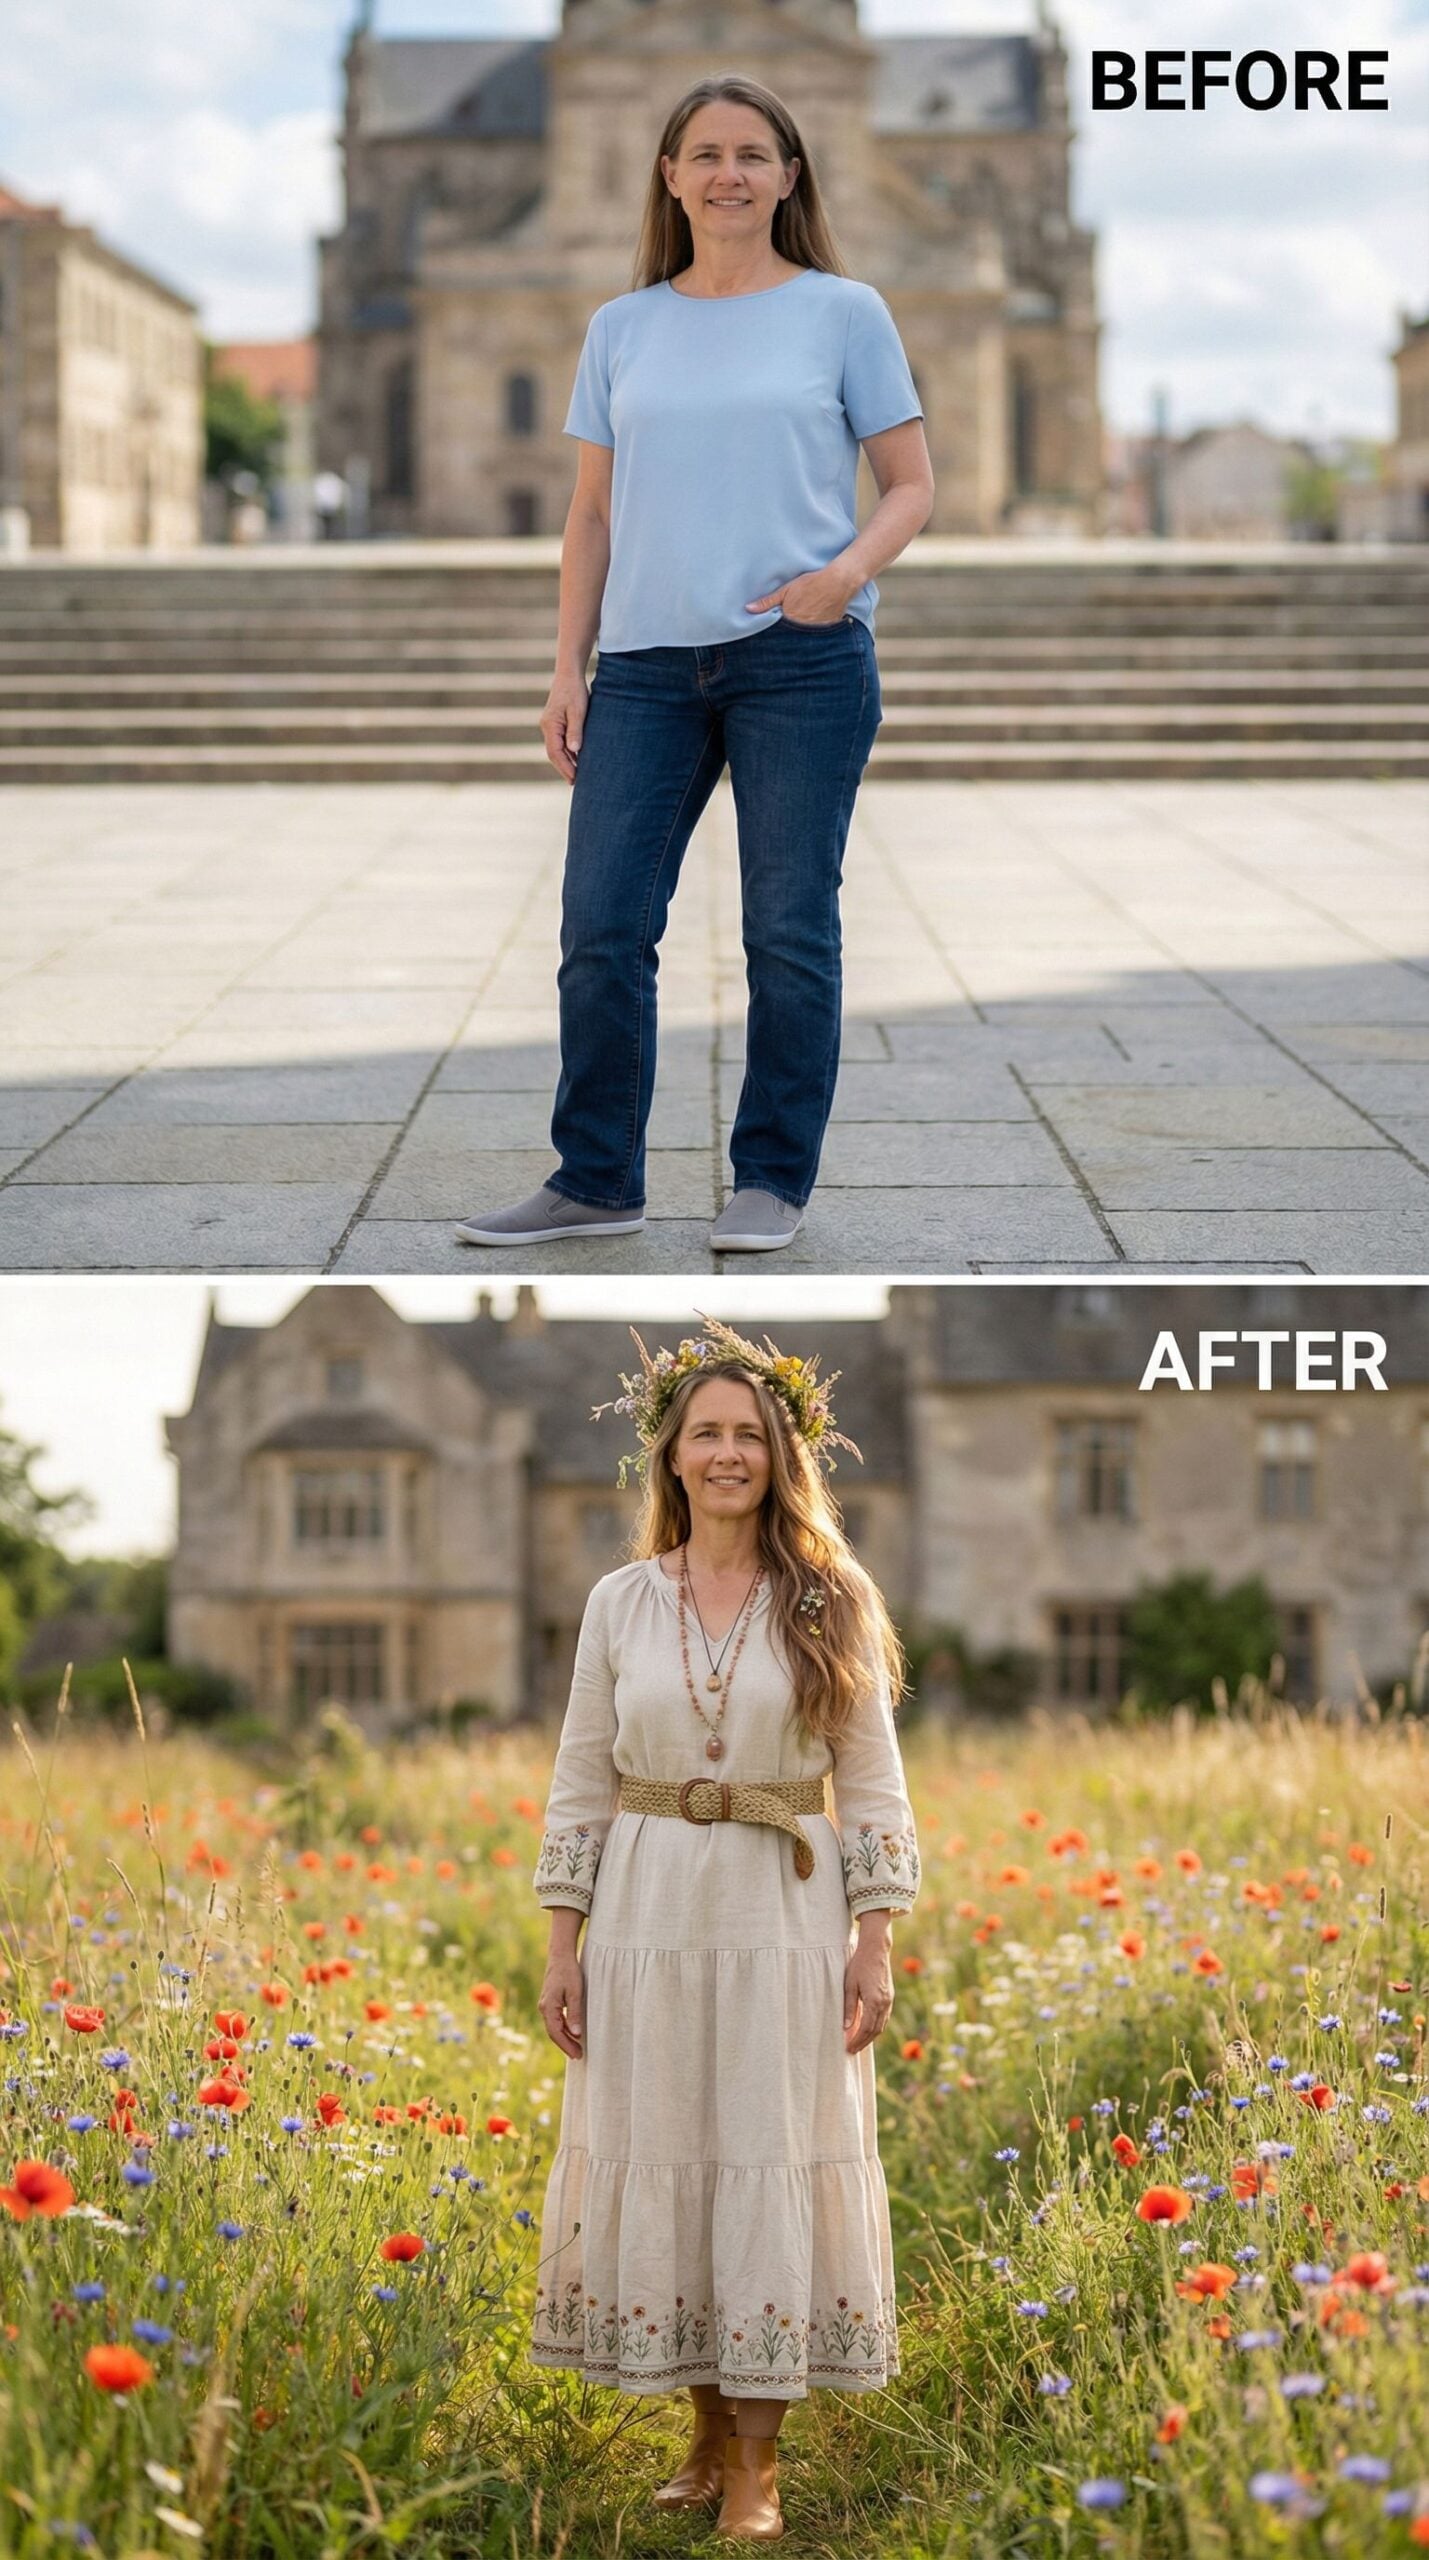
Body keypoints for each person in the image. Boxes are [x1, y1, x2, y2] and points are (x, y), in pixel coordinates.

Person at [457, 73, 934, 1259]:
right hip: (644, 668)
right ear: (669, 175)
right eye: (707, 154)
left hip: (800, 660)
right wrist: (567, 666)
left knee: (787, 933)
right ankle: (594, 1179)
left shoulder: (844, 311)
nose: (729, 174)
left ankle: (770, 1177)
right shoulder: (622, 327)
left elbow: (911, 484)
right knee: (600, 927)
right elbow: (590, 515)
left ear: (788, 177)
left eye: (753, 154)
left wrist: (840, 575)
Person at [528, 1317, 922, 2539]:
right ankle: (702, 2433)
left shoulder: (830, 1596)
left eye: (749, 1434)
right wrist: (561, 1943)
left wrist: (874, 1937)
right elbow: (580, 1776)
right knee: (674, 2148)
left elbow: (873, 1780)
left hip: (782, 1908)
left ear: (782, 1455)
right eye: (706, 1432)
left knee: (764, 2150)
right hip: (645, 1908)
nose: (727, 1453)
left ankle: (757, 2462)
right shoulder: (618, 1601)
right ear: (670, 1452)